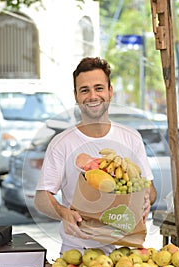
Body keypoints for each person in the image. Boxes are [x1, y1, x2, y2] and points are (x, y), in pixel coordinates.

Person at [34, 57, 157, 254]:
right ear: (76, 96)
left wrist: (146, 200)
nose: (92, 96)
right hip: (79, 250)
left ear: (110, 91)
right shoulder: (62, 143)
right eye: (85, 90)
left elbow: (150, 189)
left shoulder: (131, 138)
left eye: (99, 88)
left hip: (127, 249)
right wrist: (63, 213)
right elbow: (41, 198)